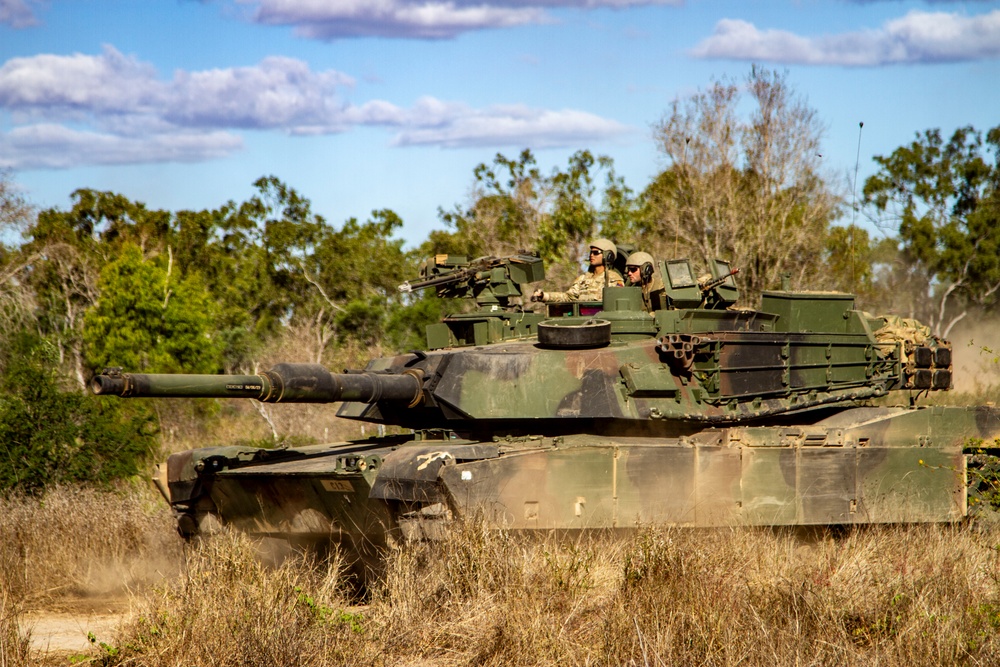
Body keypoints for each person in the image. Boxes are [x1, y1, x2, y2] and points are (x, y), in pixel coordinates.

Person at [532, 239, 624, 303]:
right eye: (591, 252)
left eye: (596, 253)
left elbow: (617, 305)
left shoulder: (613, 279)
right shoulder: (583, 279)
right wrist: (544, 296)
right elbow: (568, 297)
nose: (591, 255)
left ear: (608, 256)